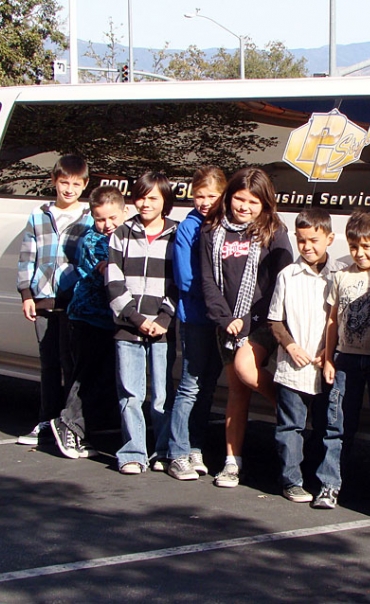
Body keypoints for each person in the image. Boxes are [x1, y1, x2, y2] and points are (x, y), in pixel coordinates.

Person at [199, 167, 293, 488]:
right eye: (239, 198)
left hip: (262, 321)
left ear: (265, 204)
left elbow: (282, 281)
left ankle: (293, 406)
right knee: (237, 392)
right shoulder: (212, 231)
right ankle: (231, 461)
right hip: (227, 323)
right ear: (229, 197)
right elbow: (208, 281)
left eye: (253, 201)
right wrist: (226, 320)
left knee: (245, 368)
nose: (244, 207)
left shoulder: (274, 231)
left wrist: (251, 321)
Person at [16, 155, 93, 446]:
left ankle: (69, 422)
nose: (69, 189)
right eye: (64, 183)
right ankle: (45, 421)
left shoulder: (89, 218)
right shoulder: (39, 216)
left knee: (71, 362)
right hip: (44, 299)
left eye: (76, 184)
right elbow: (27, 257)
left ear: (85, 185)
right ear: (54, 182)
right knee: (48, 363)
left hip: (75, 302)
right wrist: (27, 294)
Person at [105, 172, 179, 475]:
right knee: (130, 393)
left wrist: (163, 318)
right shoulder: (122, 233)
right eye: (140, 197)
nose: (145, 203)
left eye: (153, 198)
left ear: (165, 202)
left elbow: (180, 283)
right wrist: (135, 318)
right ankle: (133, 452)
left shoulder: (177, 235)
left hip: (163, 329)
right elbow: (112, 281)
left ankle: (162, 451)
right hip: (128, 327)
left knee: (162, 394)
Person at [267, 207, 341, 503]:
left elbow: (340, 320)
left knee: (325, 427)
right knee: (290, 426)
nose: (307, 247)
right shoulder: (288, 275)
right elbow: (275, 320)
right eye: (301, 240)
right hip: (292, 368)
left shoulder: (338, 275)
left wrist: (328, 351)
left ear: (329, 238)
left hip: (325, 367)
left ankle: (320, 478)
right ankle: (291, 480)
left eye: (314, 240)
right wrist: (291, 346)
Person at [316, 210, 370, 509]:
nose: (359, 253)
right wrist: (330, 357)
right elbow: (333, 319)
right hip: (346, 360)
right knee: (338, 425)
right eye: (354, 247)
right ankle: (329, 485)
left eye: (366, 247)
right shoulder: (342, 275)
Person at [50, 185, 127, 459]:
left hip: (109, 320)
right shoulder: (94, 241)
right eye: (100, 219)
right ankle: (69, 424)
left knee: (99, 376)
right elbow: (110, 274)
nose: (107, 225)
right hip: (88, 317)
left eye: (112, 218)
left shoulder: (124, 236)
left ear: (124, 212)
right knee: (85, 375)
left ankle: (84, 428)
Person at [166, 166, 228, 481]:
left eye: (211, 196)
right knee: (190, 384)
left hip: (221, 320)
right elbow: (186, 279)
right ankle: (176, 453)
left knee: (208, 386)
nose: (204, 202)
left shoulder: (225, 225)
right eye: (199, 196)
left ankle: (194, 446)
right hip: (197, 317)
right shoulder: (189, 228)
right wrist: (218, 304)